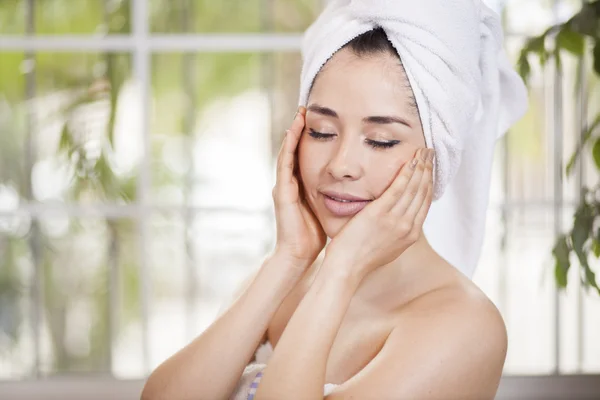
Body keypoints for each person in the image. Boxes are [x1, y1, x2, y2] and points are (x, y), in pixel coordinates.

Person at [141, 1, 527, 399]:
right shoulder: (281, 279)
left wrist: (342, 269)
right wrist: (289, 259)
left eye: (381, 140)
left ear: (437, 156)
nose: (341, 165)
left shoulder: (464, 326)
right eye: (322, 132)